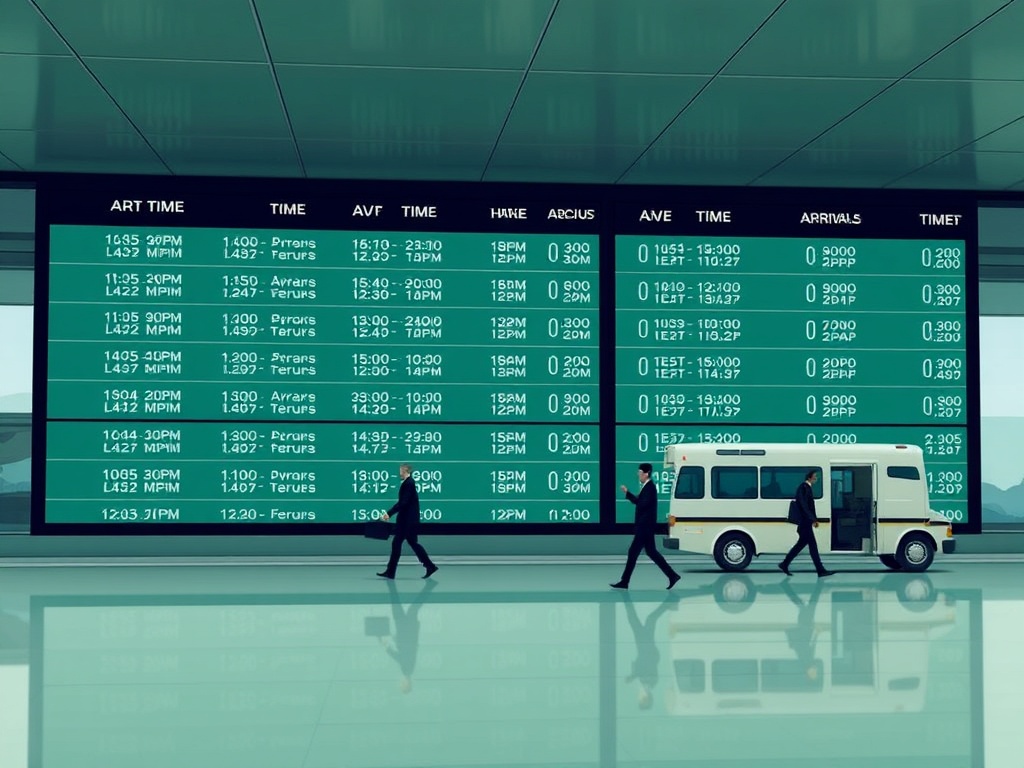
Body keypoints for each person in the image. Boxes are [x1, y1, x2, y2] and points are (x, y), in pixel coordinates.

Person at [611, 462, 681, 590]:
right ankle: (672, 575)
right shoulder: (646, 487)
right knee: (651, 552)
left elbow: (642, 504)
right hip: (646, 528)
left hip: (644, 528)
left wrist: (629, 495)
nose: (638, 475)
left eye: (640, 473)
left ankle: (625, 581)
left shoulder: (650, 488)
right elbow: (639, 502)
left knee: (633, 553)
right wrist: (628, 493)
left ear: (646, 473)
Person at [377, 463, 438, 579]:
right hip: (408, 522)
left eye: (400, 470)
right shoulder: (408, 483)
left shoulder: (409, 483)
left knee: (398, 544)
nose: (399, 472)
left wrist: (388, 513)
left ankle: (391, 571)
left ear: (405, 470)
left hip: (407, 523)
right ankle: (429, 566)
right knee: (410, 543)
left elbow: (403, 503)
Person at [622, 592, 678, 709]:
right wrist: (633, 675)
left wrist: (634, 675)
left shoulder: (643, 686)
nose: (639, 697)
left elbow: (641, 667)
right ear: (645, 698)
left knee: (648, 619)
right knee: (639, 620)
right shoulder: (651, 683)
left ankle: (670, 601)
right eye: (642, 700)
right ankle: (625, 596)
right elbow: (646, 668)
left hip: (644, 648)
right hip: (647, 649)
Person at [379, 579, 436, 693]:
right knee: (400, 605)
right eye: (402, 685)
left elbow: (406, 650)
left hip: (407, 630)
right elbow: (400, 656)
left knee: (410, 607)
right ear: (406, 684)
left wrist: (394, 639)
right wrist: (387, 648)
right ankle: (391, 584)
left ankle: (428, 587)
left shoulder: (409, 669)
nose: (400, 683)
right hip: (405, 629)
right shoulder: (407, 670)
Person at [779, 470, 835, 577]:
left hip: (805, 523)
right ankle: (820, 570)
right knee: (812, 546)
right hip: (805, 523)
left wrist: (813, 519)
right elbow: (804, 505)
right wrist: (812, 519)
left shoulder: (806, 488)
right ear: (809, 477)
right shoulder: (804, 488)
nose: (816, 479)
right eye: (814, 477)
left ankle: (785, 563)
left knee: (800, 545)